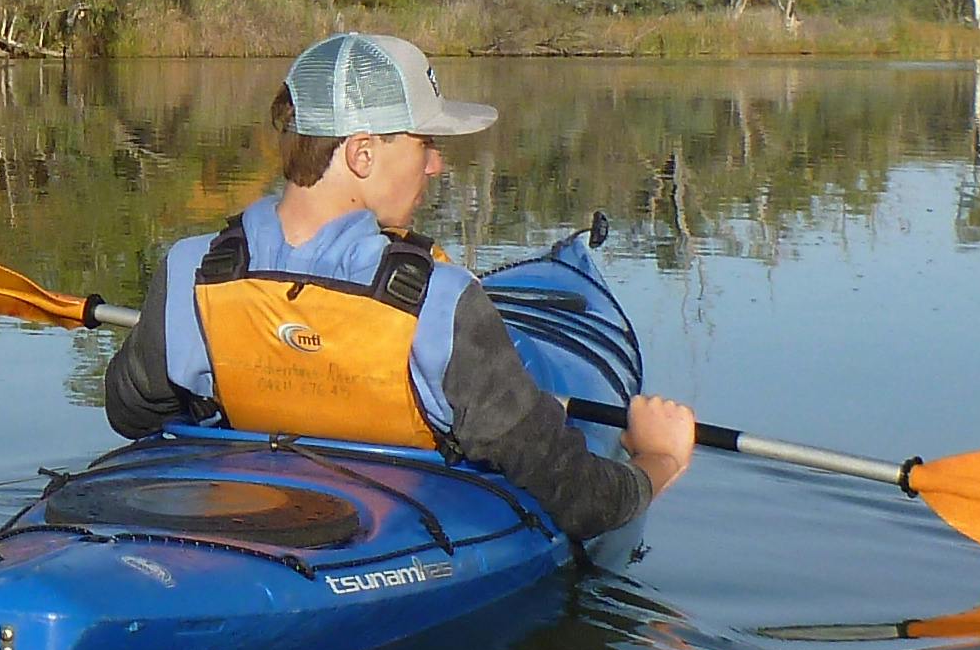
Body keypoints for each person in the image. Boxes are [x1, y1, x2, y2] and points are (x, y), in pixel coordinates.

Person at [101, 30, 693, 543]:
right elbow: (578, 498)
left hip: (241, 520)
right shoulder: (441, 301)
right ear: (362, 153)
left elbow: (131, 411)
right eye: (424, 143)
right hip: (395, 529)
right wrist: (657, 460)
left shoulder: (192, 269)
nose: (435, 165)